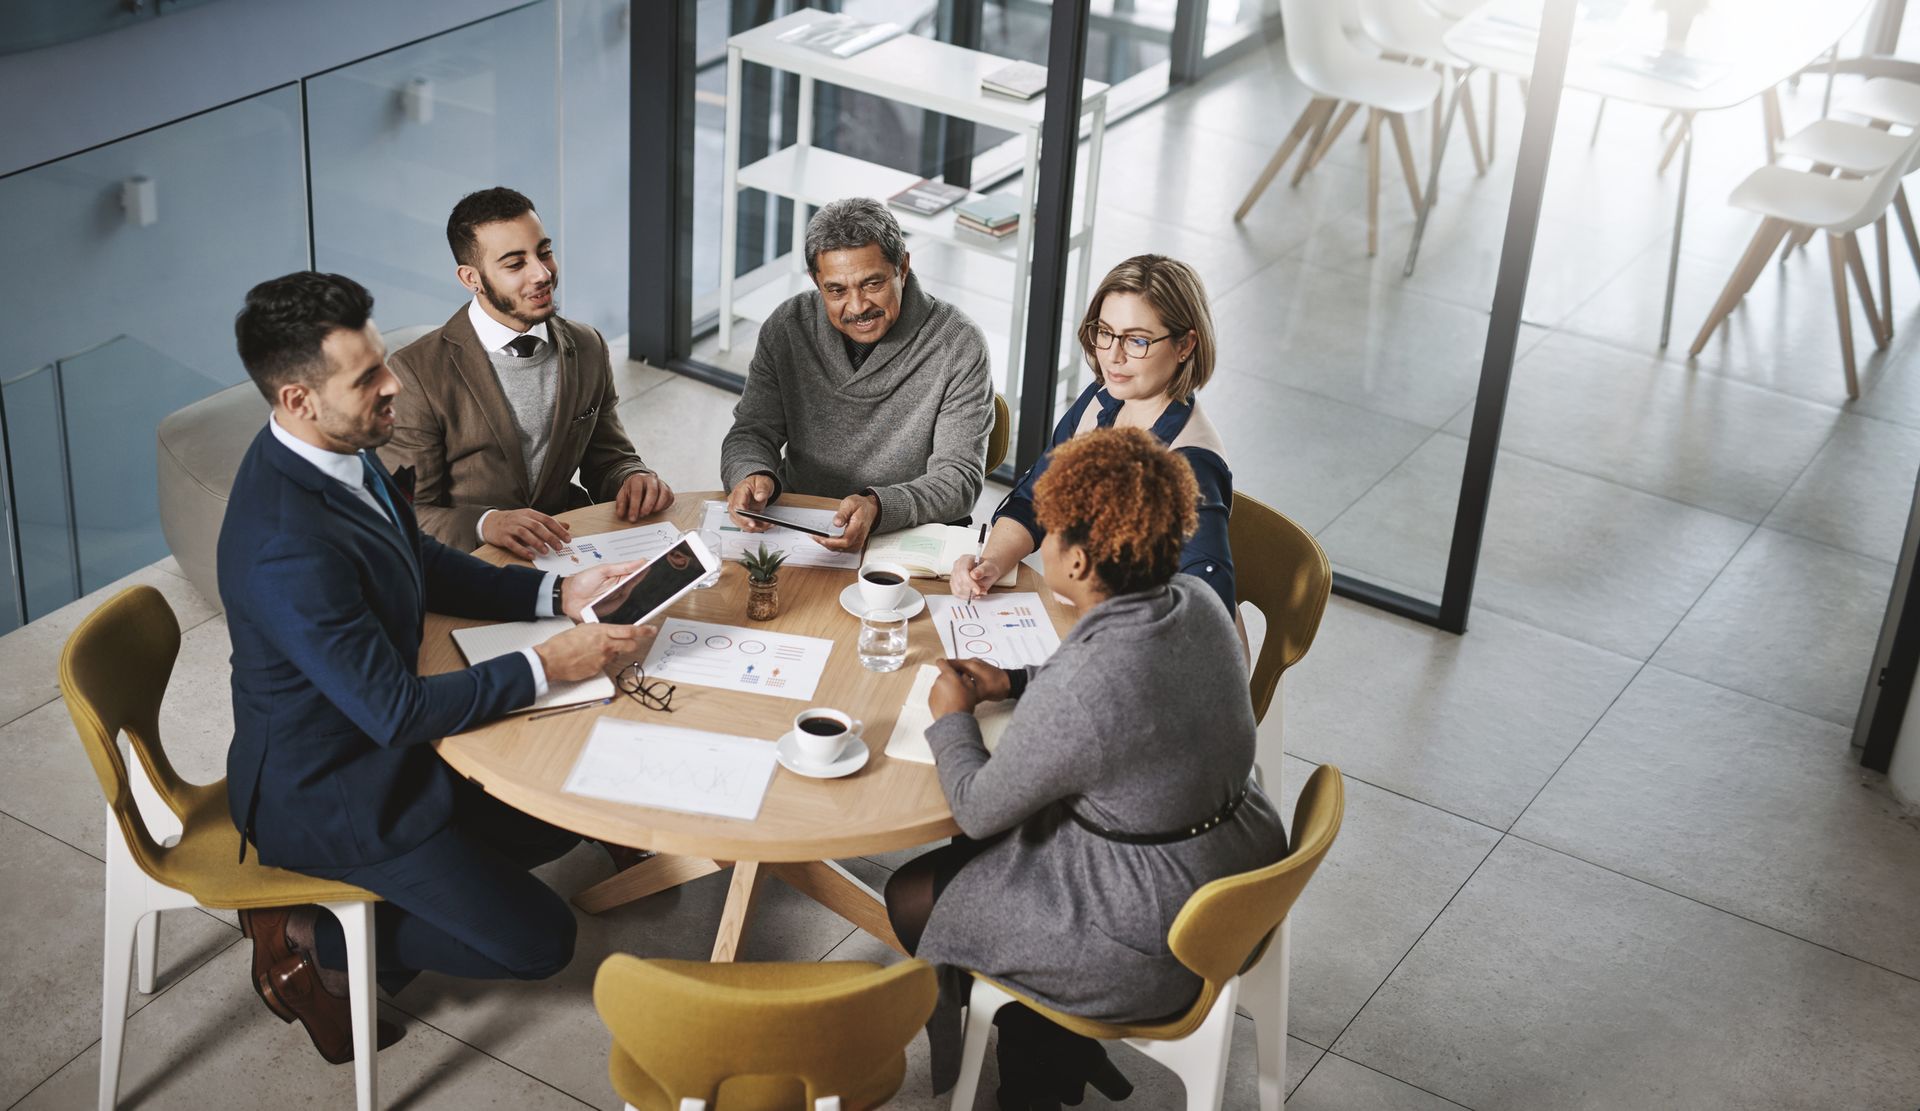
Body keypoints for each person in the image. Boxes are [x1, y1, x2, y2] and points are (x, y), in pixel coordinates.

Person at [219, 271, 654, 1065]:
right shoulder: (286, 544)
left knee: (565, 813)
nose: (395, 385)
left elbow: (416, 557)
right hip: (336, 792)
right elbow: (393, 711)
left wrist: (557, 591)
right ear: (297, 399)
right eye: (368, 378)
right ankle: (313, 941)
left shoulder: (335, 452)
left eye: (383, 361)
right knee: (540, 939)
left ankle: (397, 896)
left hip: (385, 750)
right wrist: (548, 663)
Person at [888, 427, 1286, 1108]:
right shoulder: (1198, 603)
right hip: (1226, 863)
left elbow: (978, 805)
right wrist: (1014, 679)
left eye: (1047, 529)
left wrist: (951, 715)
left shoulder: (1087, 684)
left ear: (1073, 561)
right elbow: (1130, 682)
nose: (1038, 540)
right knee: (997, 853)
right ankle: (1050, 1046)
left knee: (914, 895)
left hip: (1150, 928)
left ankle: (1034, 1071)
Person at [379, 186, 672, 559]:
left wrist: (633, 478)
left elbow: (609, 458)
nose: (541, 273)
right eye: (515, 264)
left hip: (570, 547)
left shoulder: (587, 346)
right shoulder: (415, 373)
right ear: (472, 278)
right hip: (473, 565)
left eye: (544, 252)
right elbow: (405, 514)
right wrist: (487, 523)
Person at [953, 254, 1235, 613]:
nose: (1113, 357)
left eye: (1137, 341)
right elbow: (1035, 499)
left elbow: (1209, 608)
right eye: (1105, 333)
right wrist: (990, 562)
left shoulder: (1192, 463)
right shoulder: (1103, 398)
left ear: (1185, 345)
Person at [720, 197, 994, 552]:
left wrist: (879, 507)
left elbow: (959, 481)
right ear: (816, 281)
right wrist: (751, 473)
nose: (858, 306)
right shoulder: (788, 326)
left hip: (908, 535)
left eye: (872, 283)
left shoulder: (958, 343)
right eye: (836, 290)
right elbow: (751, 432)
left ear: (903, 267)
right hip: (801, 524)